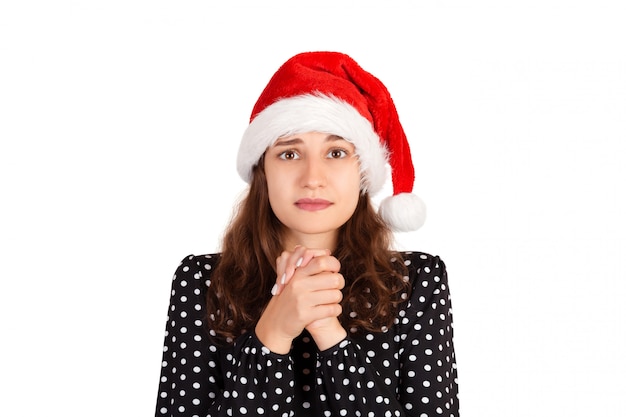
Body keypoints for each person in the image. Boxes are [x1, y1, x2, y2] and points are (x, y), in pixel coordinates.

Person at [155, 51, 459, 416]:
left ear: (363, 172)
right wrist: (273, 332)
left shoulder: (415, 283)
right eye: (289, 154)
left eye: (336, 152)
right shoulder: (203, 283)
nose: (313, 178)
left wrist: (328, 330)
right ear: (263, 171)